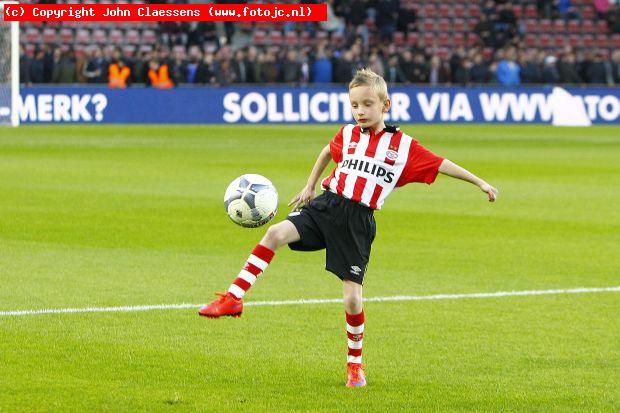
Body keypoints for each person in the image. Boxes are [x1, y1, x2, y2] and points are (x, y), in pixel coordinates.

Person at [198, 68, 498, 388]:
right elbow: (328, 150)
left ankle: (355, 363)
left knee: (352, 299)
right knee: (274, 234)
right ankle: (234, 298)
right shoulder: (349, 133)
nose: (360, 111)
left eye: (367, 104)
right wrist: (310, 185)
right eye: (354, 105)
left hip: (357, 221)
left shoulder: (402, 146)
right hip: (326, 205)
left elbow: (441, 164)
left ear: (385, 105)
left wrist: (480, 182)